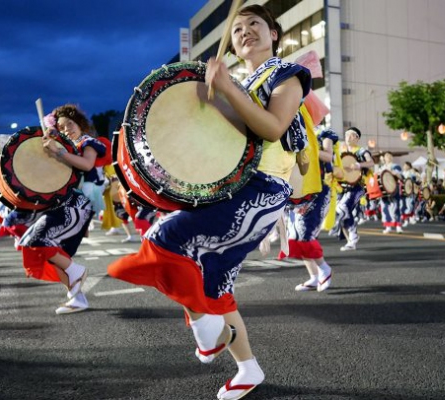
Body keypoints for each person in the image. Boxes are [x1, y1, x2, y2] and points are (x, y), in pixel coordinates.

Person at [108, 5, 310, 399]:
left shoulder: (287, 75)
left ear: (274, 34)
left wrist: (229, 89)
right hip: (229, 188)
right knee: (214, 285)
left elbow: (271, 128)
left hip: (261, 189)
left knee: (165, 239)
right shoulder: (238, 80)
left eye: (255, 24)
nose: (245, 31)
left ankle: (209, 333)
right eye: (237, 29)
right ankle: (247, 368)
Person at [20, 104, 96, 314]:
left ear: (80, 124)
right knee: (37, 249)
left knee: (38, 241)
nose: (67, 129)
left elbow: (87, 165)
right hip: (64, 203)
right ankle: (76, 297)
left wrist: (59, 152)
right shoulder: (66, 147)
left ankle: (76, 272)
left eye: (70, 124)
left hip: (78, 203)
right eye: (61, 128)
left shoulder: (88, 143)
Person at [281, 128, 337, 292]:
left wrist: (308, 147)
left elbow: (328, 156)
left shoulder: (323, 134)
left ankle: (324, 268)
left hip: (317, 191)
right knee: (295, 237)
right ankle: (313, 276)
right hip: (297, 190)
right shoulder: (292, 130)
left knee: (305, 235)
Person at [330, 127, 374, 250]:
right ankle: (351, 241)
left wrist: (358, 165)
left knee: (342, 208)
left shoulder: (361, 151)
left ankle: (353, 236)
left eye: (351, 135)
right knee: (340, 212)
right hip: (341, 187)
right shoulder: (340, 152)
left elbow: (371, 163)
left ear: (357, 138)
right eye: (346, 135)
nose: (347, 137)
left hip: (357, 186)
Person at [378, 151, 404, 233]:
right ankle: (388, 226)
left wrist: (394, 173)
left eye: (389, 156)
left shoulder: (396, 166)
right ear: (384, 158)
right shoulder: (382, 167)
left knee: (395, 207)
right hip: (384, 190)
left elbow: (401, 177)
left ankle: (398, 226)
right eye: (386, 156)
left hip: (393, 188)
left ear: (392, 157)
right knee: (385, 208)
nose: (388, 157)